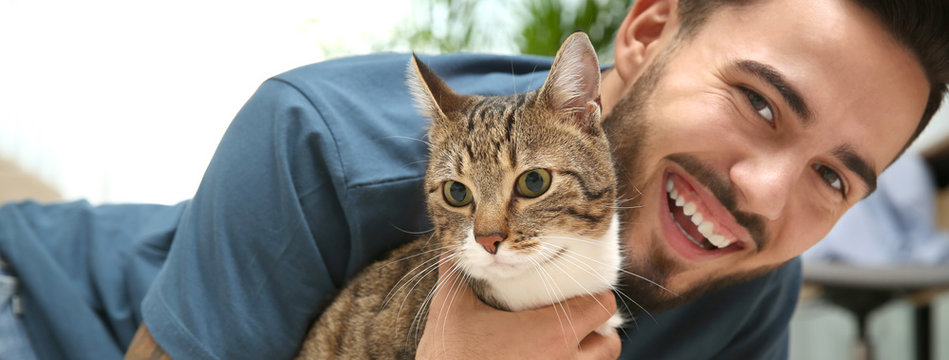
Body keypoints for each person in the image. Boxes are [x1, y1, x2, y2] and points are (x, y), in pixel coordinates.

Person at [0, 0, 945, 358]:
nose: (765, 195)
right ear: (647, 32)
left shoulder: (747, 270)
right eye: (761, 103)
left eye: (833, 176)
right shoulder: (317, 139)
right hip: (45, 312)